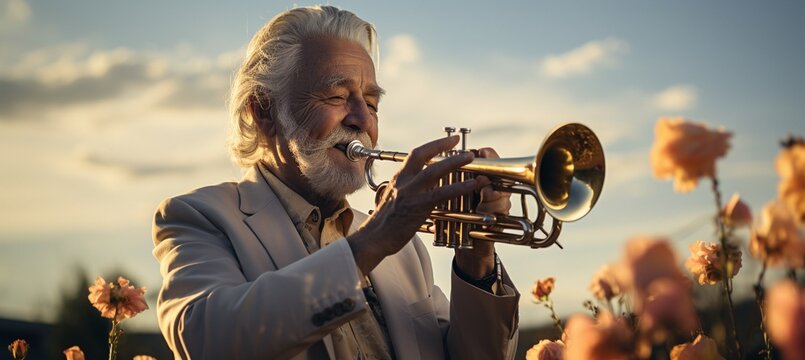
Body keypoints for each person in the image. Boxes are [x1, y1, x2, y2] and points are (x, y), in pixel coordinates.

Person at [152, 5, 520, 359]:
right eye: (337, 96)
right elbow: (205, 341)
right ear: (264, 112)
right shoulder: (199, 217)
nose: (363, 119)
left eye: (372, 104)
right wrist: (373, 242)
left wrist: (477, 260)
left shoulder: (405, 251)